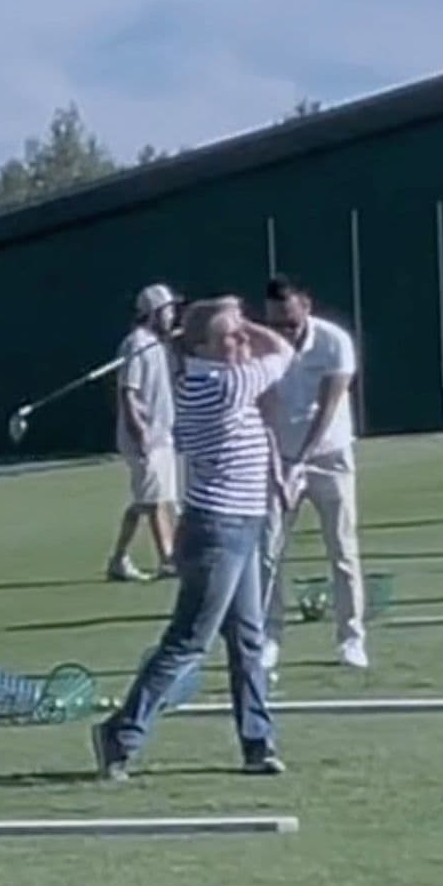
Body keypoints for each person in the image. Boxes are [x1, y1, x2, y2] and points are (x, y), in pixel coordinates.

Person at [91, 295, 294, 780]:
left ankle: (257, 742)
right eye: (231, 336)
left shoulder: (212, 376)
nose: (243, 340)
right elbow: (284, 352)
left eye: (242, 333)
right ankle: (120, 734)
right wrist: (246, 319)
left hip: (243, 523)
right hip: (217, 531)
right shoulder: (221, 384)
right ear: (202, 348)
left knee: (247, 639)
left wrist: (229, 323)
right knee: (189, 641)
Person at [257, 275, 367, 671]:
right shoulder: (262, 346)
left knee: (341, 549)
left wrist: (301, 458)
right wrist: (278, 462)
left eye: (288, 320)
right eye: (274, 322)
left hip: (329, 455)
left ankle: (351, 638)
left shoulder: (334, 341)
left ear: (305, 305)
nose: (283, 329)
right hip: (279, 460)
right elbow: (264, 409)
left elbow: (328, 406)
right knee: (267, 553)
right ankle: (269, 637)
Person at [106, 284, 180, 582]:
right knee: (154, 500)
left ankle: (119, 558)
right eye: (169, 310)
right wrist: (140, 432)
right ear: (154, 313)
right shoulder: (137, 344)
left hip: (163, 433)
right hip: (144, 436)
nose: (173, 315)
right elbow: (129, 392)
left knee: (149, 499)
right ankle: (168, 560)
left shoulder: (158, 344)